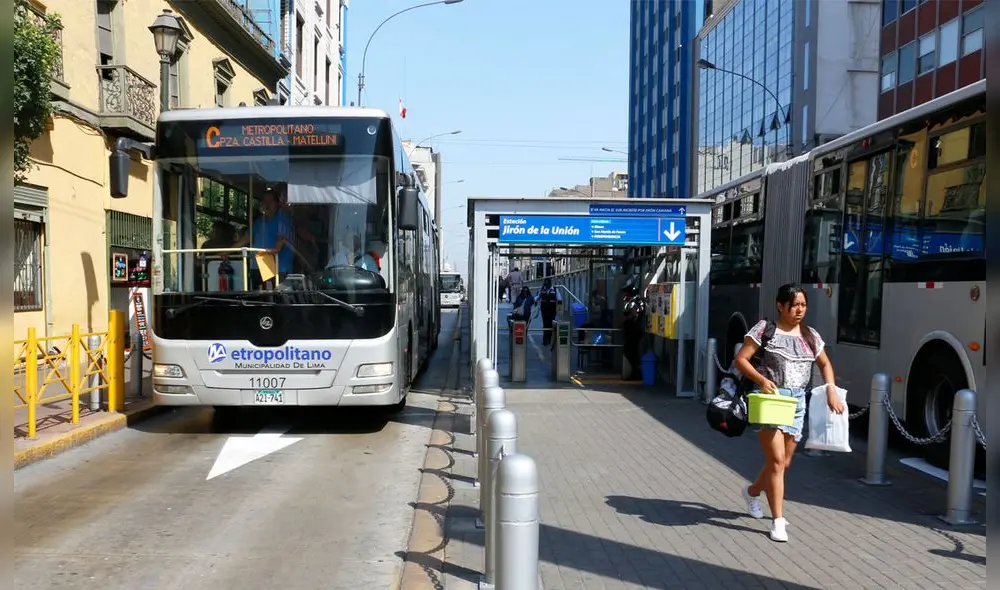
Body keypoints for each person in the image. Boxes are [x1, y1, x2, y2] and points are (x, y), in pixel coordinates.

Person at [734, 283, 845, 543]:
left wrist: (831, 390)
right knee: (776, 461)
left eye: (803, 305)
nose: (799, 310)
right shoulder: (765, 330)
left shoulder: (810, 335)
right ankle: (778, 521)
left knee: (784, 462)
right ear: (780, 305)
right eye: (794, 305)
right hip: (771, 400)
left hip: (797, 402)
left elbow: (825, 363)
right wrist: (762, 380)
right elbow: (742, 359)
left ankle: (751, 492)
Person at [232, 190, 294, 289]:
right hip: (259, 266)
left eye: (270, 201)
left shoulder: (283, 217)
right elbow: (245, 239)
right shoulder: (258, 223)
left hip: (280, 268)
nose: (267, 204)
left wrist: (273, 250)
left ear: (277, 203)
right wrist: (225, 252)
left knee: (276, 297)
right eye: (264, 201)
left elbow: (280, 242)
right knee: (261, 298)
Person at [620, 280, 646, 381]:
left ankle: (635, 373)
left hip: (633, 331)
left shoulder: (636, 301)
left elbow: (636, 314)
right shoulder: (630, 300)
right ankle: (633, 372)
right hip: (630, 331)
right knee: (629, 352)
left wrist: (632, 315)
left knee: (632, 353)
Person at [536, 277, 562, 347]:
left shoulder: (555, 290)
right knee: (545, 324)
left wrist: (559, 308)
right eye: (545, 283)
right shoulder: (542, 289)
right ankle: (545, 340)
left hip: (552, 310)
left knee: (551, 324)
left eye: (547, 283)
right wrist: (535, 301)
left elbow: (559, 298)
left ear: (550, 284)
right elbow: (538, 297)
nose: (546, 285)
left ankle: (549, 339)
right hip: (544, 309)